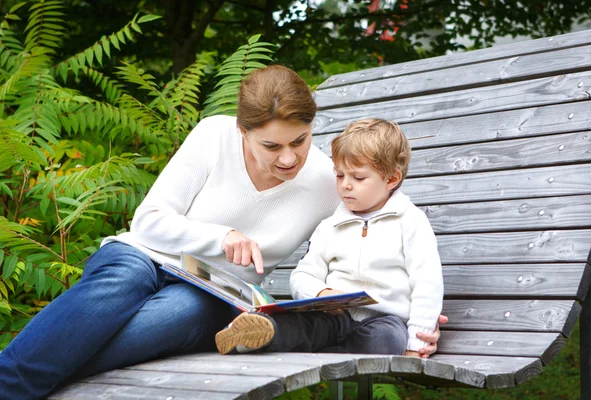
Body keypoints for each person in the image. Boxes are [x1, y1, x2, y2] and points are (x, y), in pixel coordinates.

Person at [0, 66, 444, 399]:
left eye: (300, 141)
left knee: (179, 317)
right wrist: (222, 237)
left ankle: (38, 377)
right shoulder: (214, 136)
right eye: (271, 146)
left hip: (212, 292)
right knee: (120, 283)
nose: (289, 159)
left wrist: (411, 311)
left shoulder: (329, 181)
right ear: (243, 131)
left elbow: (374, 225)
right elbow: (148, 220)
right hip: (143, 256)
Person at [215, 118, 444, 357]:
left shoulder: (410, 222)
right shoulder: (330, 227)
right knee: (304, 325)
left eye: (358, 178)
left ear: (391, 179)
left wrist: (416, 344)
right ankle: (256, 335)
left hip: (384, 319)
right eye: (339, 175)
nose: (345, 185)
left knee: (387, 339)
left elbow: (427, 284)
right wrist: (321, 293)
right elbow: (303, 275)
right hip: (334, 316)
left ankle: (318, 353)